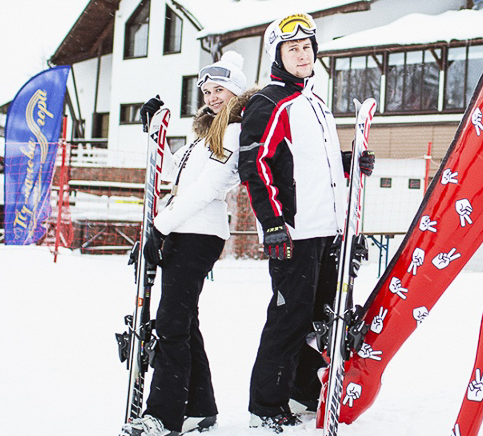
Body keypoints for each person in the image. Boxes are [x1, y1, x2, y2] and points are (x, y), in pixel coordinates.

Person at [237, 13, 374, 433]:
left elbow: (315, 167)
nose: (302, 54)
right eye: (292, 48)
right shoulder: (270, 103)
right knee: (288, 318)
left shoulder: (316, 105)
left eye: (307, 47)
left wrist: (349, 163)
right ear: (277, 56)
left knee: (319, 317)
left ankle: (299, 390)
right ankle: (265, 404)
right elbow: (255, 164)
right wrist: (273, 221)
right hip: (293, 233)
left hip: (324, 230)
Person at [121, 51, 254, 436]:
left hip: (199, 234)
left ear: (236, 91)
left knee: (172, 324)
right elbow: (165, 172)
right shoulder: (203, 134)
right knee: (185, 322)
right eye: (207, 91)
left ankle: (164, 415)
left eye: (220, 89)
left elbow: (208, 188)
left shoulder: (233, 131)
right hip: (181, 228)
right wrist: (152, 131)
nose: (212, 97)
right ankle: (200, 406)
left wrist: (158, 228)